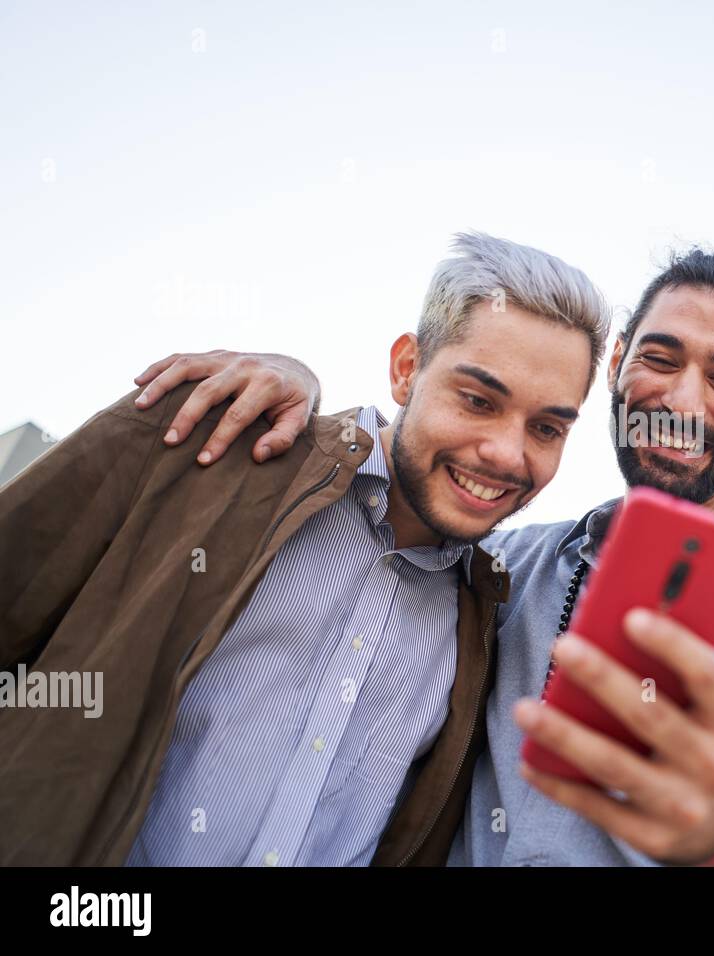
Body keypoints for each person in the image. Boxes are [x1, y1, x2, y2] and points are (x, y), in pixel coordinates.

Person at [128, 247, 714, 866]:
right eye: (661, 359)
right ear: (617, 369)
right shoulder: (497, 563)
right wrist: (300, 393)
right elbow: (397, 483)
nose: (683, 402)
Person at [0, 231, 609, 866]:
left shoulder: (492, 615)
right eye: (478, 400)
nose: (508, 455)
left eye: (546, 428)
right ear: (407, 369)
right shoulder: (212, 439)